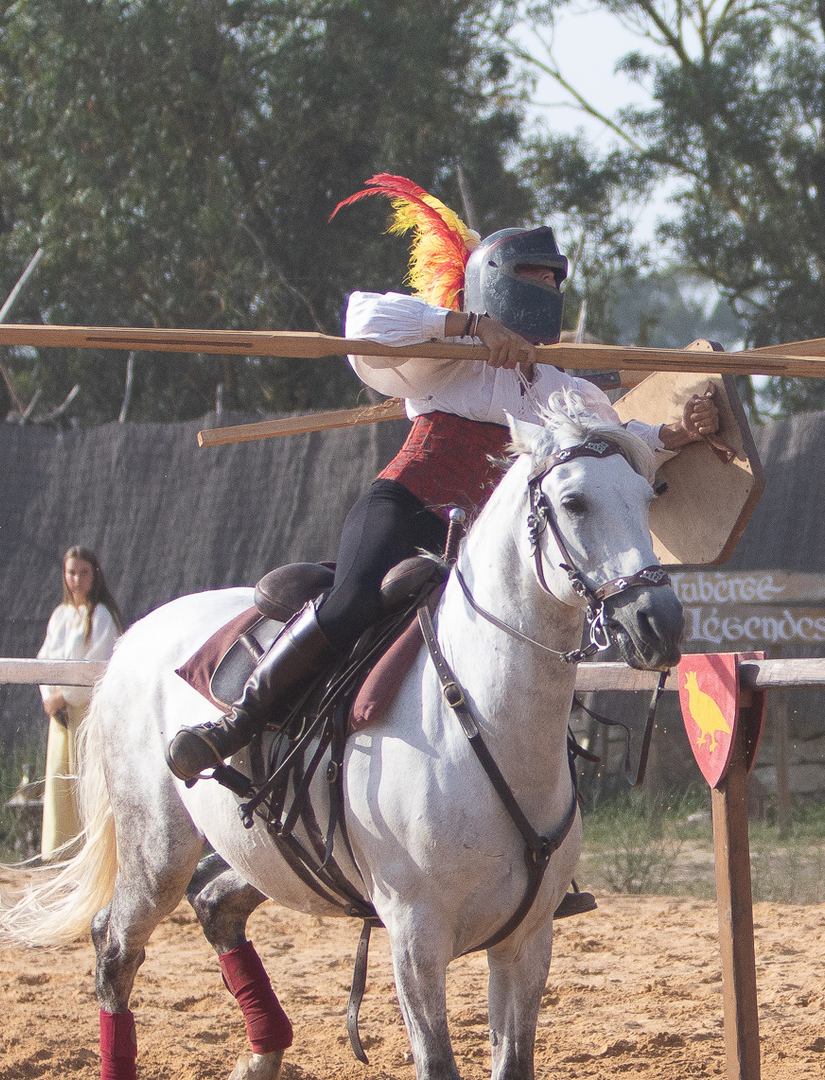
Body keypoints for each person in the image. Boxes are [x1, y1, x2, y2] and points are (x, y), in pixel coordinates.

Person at [167, 176, 720, 784]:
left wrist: (679, 433)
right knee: (352, 602)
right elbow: (363, 314)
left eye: (553, 282)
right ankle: (239, 723)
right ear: (496, 286)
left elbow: (621, 444)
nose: (548, 291)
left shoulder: (571, 391)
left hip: (480, 549)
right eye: (534, 280)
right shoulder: (444, 357)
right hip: (405, 508)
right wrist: (470, 327)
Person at [36, 546, 124, 858]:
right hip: (61, 718)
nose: (76, 579)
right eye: (71, 572)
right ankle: (63, 855)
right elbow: (44, 661)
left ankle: (92, 854)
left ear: (94, 575)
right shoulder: (60, 616)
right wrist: (51, 698)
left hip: (88, 715)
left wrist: (66, 696)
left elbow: (98, 668)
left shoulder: (101, 617)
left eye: (83, 572)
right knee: (62, 783)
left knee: (89, 784)